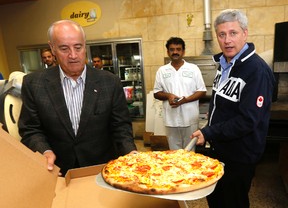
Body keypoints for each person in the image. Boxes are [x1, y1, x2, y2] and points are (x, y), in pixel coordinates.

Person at [18, 20, 137, 176]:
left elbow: (121, 127)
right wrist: (44, 151)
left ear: (85, 45)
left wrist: (130, 152)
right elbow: (30, 129)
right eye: (64, 48)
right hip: (58, 171)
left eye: (78, 47)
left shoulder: (109, 82)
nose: (73, 55)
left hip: (102, 169)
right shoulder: (34, 83)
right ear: (52, 48)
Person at [191, 9, 275, 208]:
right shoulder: (224, 64)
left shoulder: (257, 71)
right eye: (222, 34)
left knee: (234, 201)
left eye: (233, 33)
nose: (227, 40)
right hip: (220, 148)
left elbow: (247, 120)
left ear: (245, 33)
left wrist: (208, 131)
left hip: (240, 155)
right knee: (216, 198)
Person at [153, 37, 207, 150]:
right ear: (168, 52)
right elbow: (156, 93)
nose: (175, 52)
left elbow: (202, 91)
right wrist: (168, 96)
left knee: (190, 152)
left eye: (178, 49)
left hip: (190, 118)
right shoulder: (162, 71)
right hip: (170, 120)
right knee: (174, 153)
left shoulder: (193, 69)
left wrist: (185, 100)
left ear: (183, 51)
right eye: (172, 49)